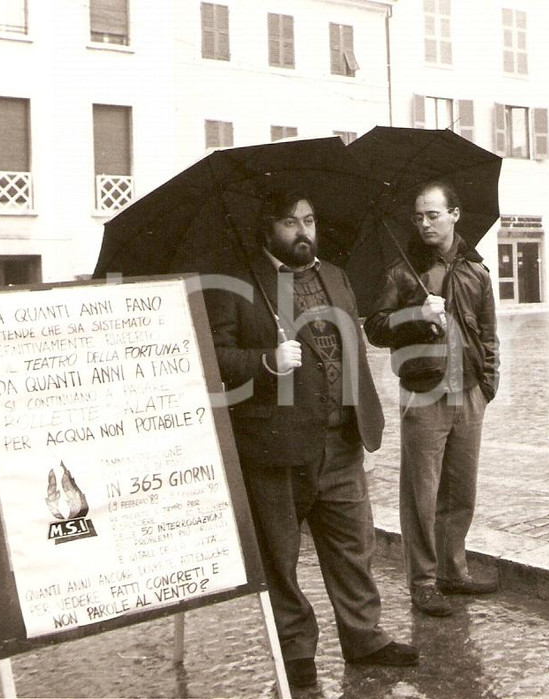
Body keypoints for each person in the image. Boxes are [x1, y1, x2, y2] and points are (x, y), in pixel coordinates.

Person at [187, 189, 418, 688]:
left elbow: (350, 350)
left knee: (355, 547)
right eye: (291, 223)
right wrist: (267, 363)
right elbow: (212, 357)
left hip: (341, 443)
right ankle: (295, 653)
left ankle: (365, 637)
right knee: (281, 556)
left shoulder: (334, 276)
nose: (303, 231)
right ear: (268, 228)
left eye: (309, 220)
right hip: (275, 448)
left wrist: (361, 418)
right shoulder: (235, 283)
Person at [364, 180, 500, 617]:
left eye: (433, 215)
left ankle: (453, 570)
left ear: (455, 214)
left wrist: (488, 384)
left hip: (469, 393)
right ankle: (423, 582)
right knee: (421, 495)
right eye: (418, 216)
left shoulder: (476, 271)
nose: (424, 223)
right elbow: (376, 327)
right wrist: (415, 315)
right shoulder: (403, 271)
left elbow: (489, 333)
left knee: (461, 490)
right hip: (423, 394)